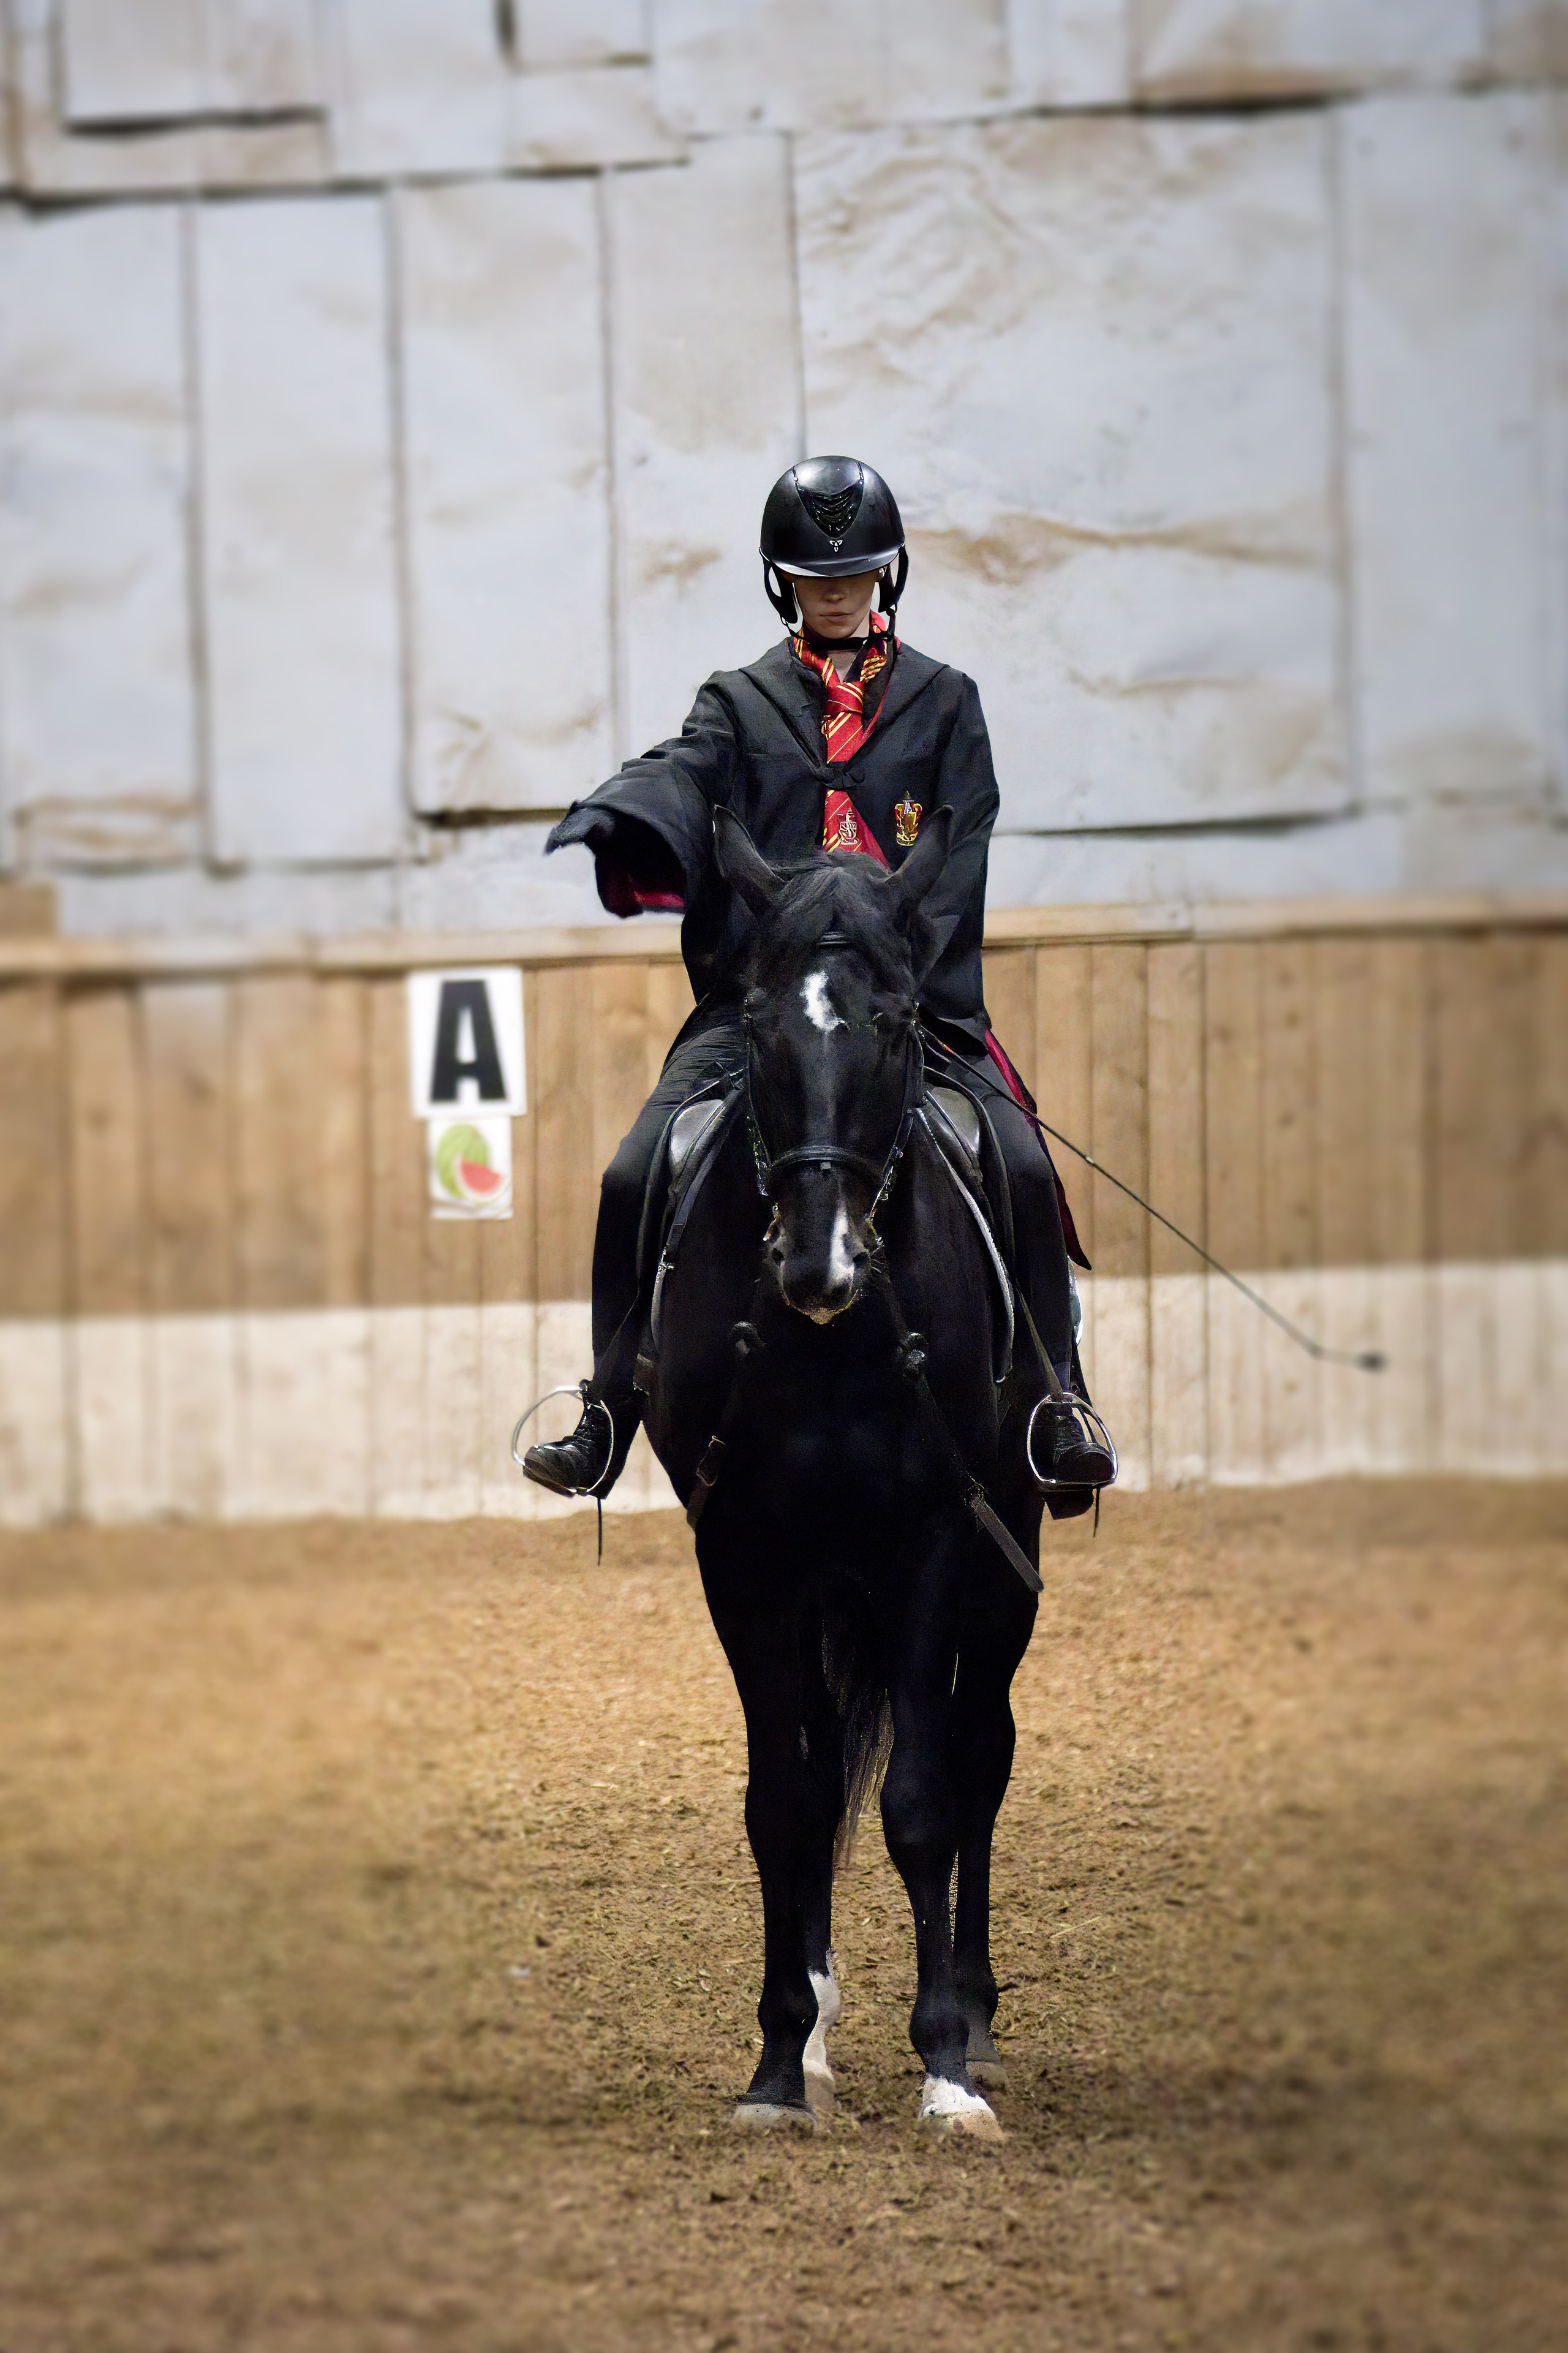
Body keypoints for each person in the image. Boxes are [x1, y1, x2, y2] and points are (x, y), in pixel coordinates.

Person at [524, 454, 1115, 1500]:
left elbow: (957, 853)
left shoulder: (947, 706)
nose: (832, 590)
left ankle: (1057, 1398)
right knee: (633, 1170)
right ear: (780, 581)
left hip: (908, 1007)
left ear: (887, 575)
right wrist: (632, 817)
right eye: (811, 576)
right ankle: (609, 1406)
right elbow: (686, 770)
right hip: (758, 1013)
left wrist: (897, 978)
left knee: (1021, 1164)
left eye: (853, 572)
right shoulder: (741, 704)